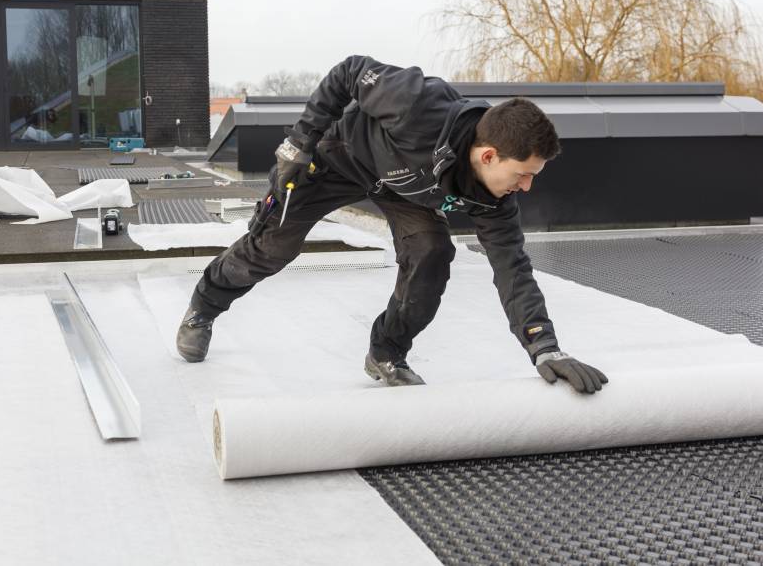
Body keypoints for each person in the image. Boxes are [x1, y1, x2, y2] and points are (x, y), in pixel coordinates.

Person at [177, 55, 608, 393]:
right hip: (336, 159)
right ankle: (204, 306)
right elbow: (349, 72)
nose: (528, 187)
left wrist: (543, 346)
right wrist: (299, 143)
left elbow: (513, 268)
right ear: (489, 155)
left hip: (401, 189)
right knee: (272, 248)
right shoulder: (417, 104)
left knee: (432, 254)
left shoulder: (494, 196)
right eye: (523, 174)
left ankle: (386, 353)